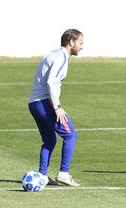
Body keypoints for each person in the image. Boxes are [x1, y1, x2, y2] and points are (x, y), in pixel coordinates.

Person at [28, 29, 83, 187]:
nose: (82, 46)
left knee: (49, 140)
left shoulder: (53, 54)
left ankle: (42, 176)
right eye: (80, 43)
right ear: (71, 42)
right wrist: (57, 107)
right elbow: (52, 82)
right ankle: (64, 174)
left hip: (34, 103)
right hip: (44, 102)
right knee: (70, 134)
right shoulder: (61, 57)